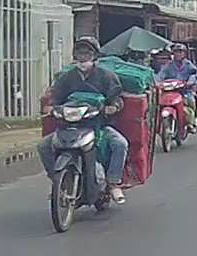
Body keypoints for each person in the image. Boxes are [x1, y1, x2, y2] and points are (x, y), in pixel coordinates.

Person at [38, 37, 129, 205]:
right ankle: (58, 181)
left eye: (87, 53)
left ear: (94, 56)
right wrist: (51, 107)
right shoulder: (66, 77)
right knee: (43, 146)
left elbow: (116, 98)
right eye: (80, 53)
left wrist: (113, 107)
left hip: (98, 126)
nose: (83, 57)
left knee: (120, 144)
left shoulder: (106, 76)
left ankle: (113, 183)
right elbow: (56, 97)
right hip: (68, 126)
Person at [156, 42, 197, 132]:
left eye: (180, 52)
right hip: (170, 91)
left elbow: (194, 74)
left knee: (191, 101)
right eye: (176, 52)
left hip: (184, 91)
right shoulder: (168, 65)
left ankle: (191, 122)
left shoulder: (189, 65)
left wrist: (190, 82)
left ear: (184, 54)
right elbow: (160, 75)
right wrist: (157, 82)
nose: (178, 54)